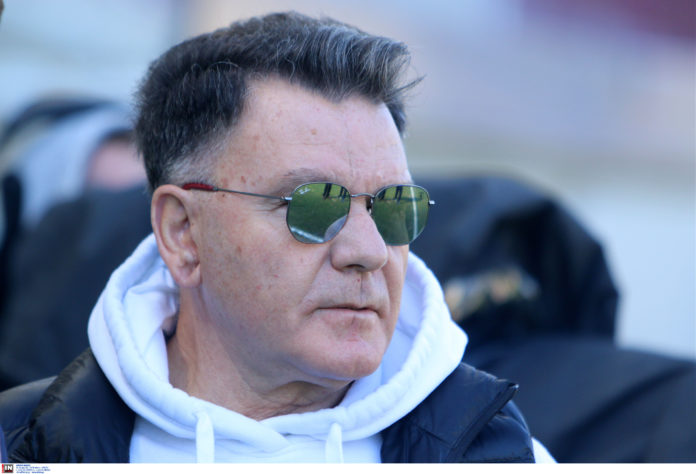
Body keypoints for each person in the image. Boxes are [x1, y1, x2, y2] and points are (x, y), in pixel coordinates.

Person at [0, 11, 554, 463]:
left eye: (394, 206)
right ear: (182, 232)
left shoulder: (504, 454)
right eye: (314, 206)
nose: (367, 251)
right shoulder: (23, 446)